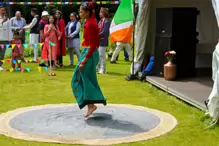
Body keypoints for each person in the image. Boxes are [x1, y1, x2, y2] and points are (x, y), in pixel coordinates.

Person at [72, 1, 107, 118]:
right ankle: (91, 105)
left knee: (78, 79)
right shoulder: (90, 22)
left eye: (81, 12)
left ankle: (91, 104)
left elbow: (93, 46)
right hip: (88, 53)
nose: (79, 13)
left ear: (87, 12)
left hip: (89, 54)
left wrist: (84, 61)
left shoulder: (91, 24)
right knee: (85, 79)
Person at [96, 7, 110, 74]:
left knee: (102, 55)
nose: (99, 14)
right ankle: (98, 68)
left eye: (100, 13)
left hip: (103, 40)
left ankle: (103, 69)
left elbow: (105, 31)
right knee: (98, 55)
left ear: (103, 13)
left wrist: (97, 35)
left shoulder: (106, 21)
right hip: (99, 40)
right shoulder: (100, 21)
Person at [0, 6, 12, 71]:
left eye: (4, 10)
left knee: (2, 53)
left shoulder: (8, 19)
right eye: (2, 10)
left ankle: (0, 65)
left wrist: (10, 39)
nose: (3, 11)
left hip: (4, 39)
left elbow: (9, 30)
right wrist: (2, 22)